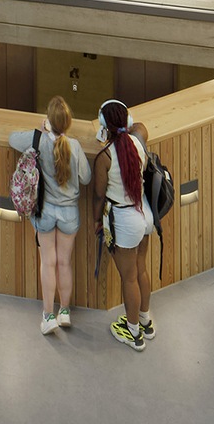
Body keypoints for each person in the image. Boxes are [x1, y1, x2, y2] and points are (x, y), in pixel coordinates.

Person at [91, 99, 153, 349]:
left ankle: (133, 332)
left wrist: (97, 220)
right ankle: (145, 321)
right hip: (143, 215)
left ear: (104, 126)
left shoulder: (105, 157)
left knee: (128, 279)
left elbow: (98, 194)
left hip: (123, 221)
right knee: (140, 270)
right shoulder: (137, 143)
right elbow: (141, 127)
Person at [27, 96, 91, 335]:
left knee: (48, 262)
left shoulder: (40, 141)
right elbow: (86, 178)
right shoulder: (74, 146)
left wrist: (44, 131)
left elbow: (13, 138)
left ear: (48, 121)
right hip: (69, 214)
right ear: (68, 122)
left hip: (45, 212)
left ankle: (48, 315)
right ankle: (65, 311)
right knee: (64, 262)